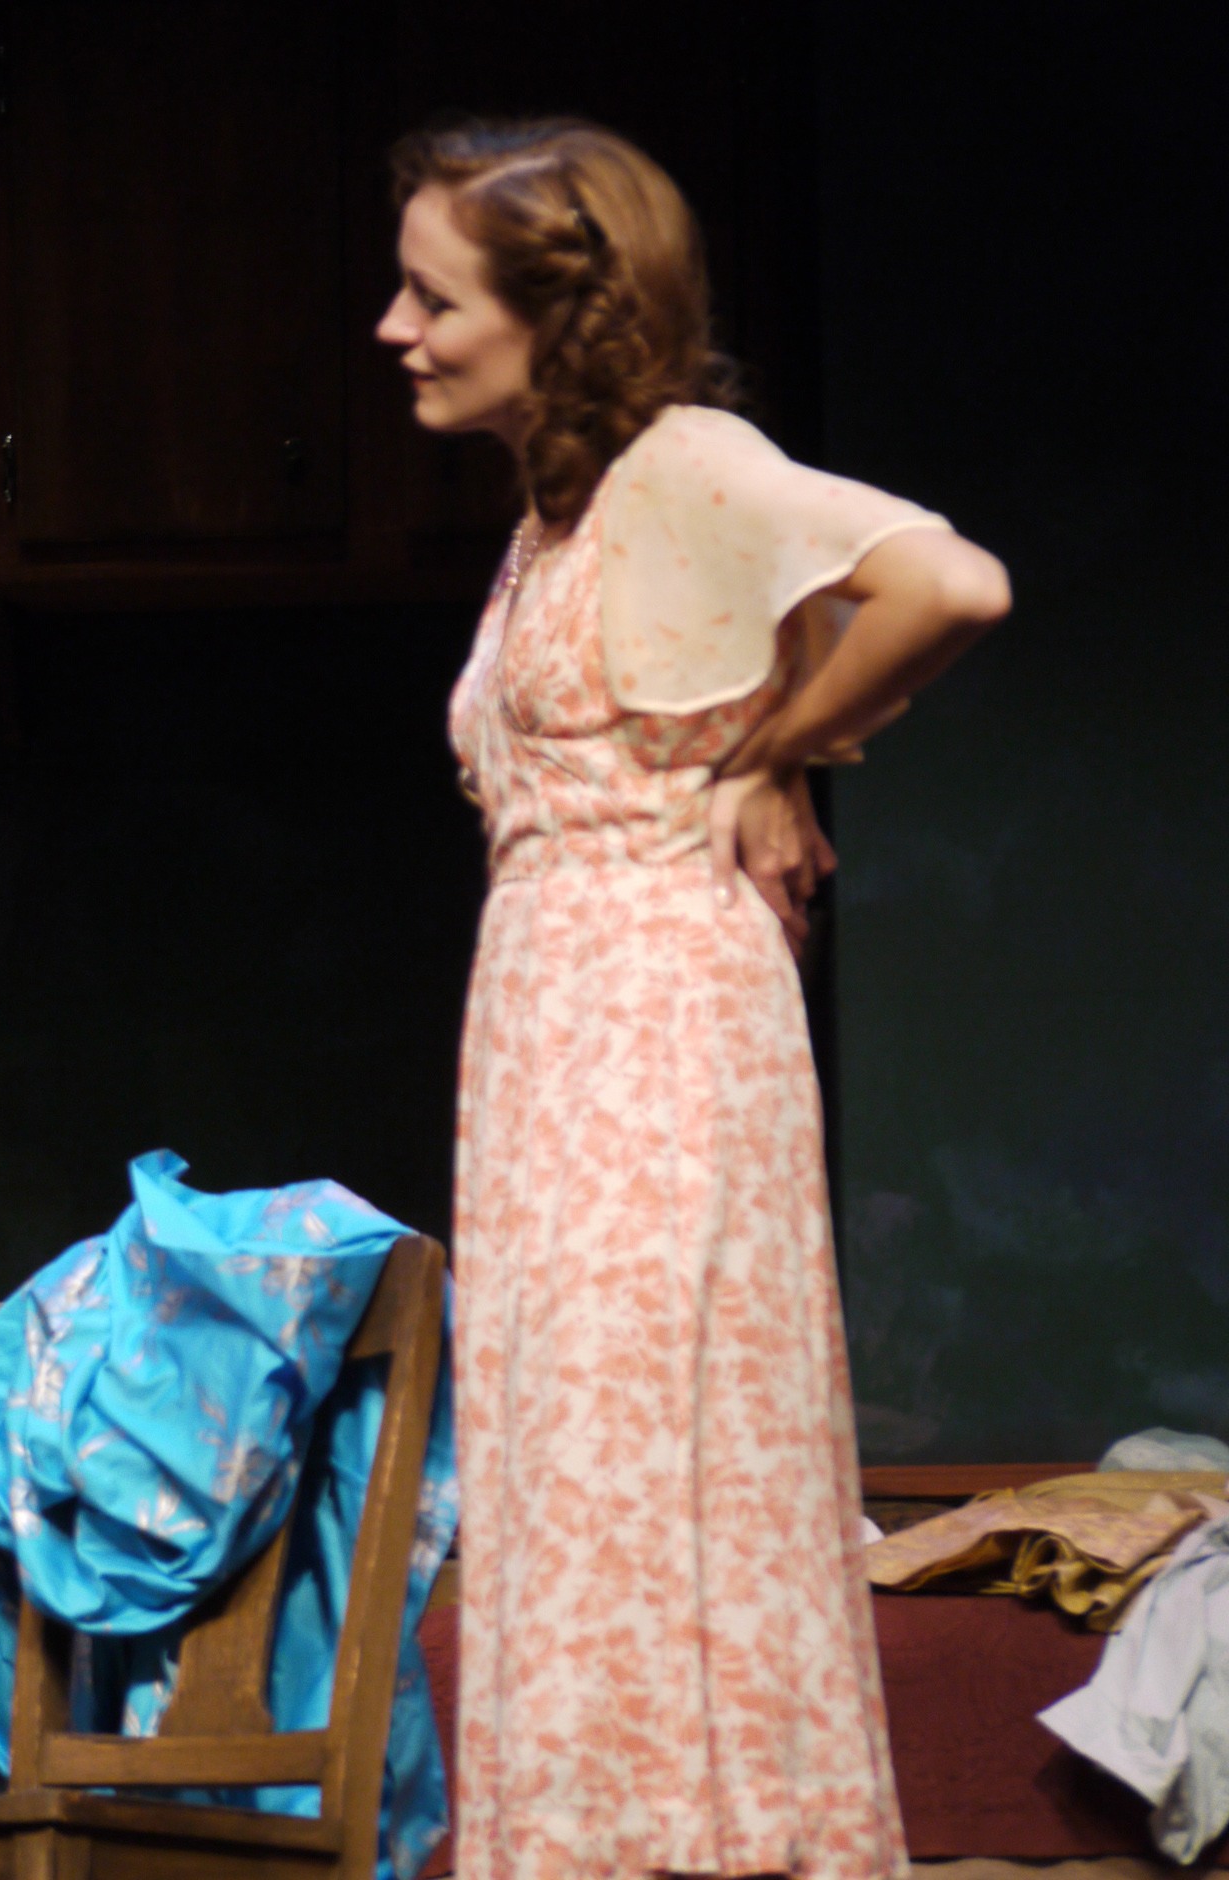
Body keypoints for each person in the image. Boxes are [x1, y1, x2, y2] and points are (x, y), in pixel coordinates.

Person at [375, 120, 1008, 1880]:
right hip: (561, 1034)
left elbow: (950, 580)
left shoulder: (679, 466)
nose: (396, 330)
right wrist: (770, 743)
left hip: (650, 1030)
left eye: (435, 297)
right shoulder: (563, 511)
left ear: (563, 315)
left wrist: (775, 749)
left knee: (641, 1466)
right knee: (582, 1473)